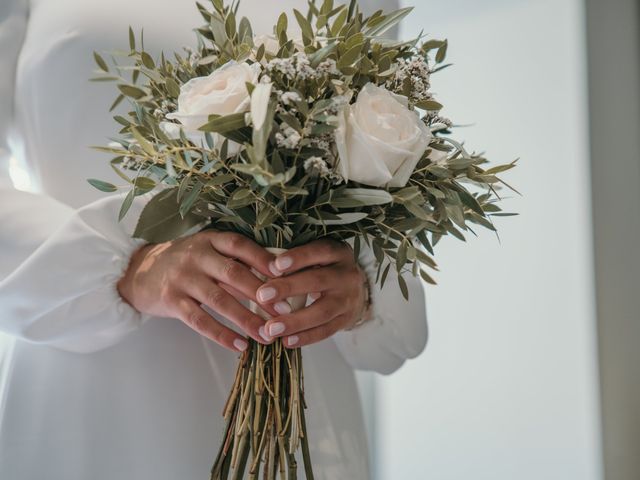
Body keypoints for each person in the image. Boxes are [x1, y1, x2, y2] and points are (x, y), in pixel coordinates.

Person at [0, 0, 428, 478]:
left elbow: (391, 180)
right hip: (87, 384)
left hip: (295, 392)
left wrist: (363, 286)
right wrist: (130, 269)